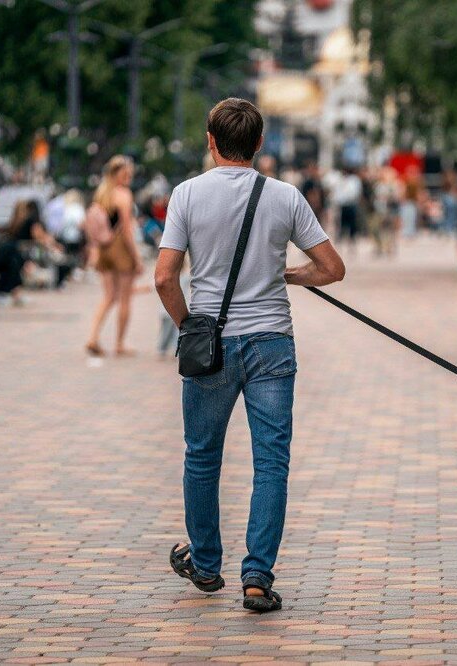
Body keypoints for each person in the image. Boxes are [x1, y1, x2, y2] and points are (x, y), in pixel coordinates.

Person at [155, 98, 344, 612]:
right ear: (259, 144)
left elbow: (164, 277)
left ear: (211, 141)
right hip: (272, 342)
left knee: (202, 455)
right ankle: (257, 577)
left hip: (210, 345)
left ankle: (207, 563)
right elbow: (332, 268)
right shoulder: (285, 197)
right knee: (271, 462)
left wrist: (190, 328)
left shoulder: (186, 194)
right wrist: (287, 275)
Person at [85, 155, 143, 357]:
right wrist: (137, 258)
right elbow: (126, 230)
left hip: (104, 249)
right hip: (120, 249)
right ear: (119, 174)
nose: (129, 176)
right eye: (126, 173)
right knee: (125, 298)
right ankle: (119, 343)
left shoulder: (102, 194)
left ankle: (92, 336)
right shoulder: (123, 195)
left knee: (109, 296)